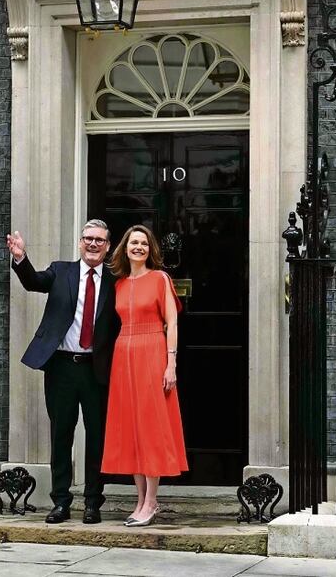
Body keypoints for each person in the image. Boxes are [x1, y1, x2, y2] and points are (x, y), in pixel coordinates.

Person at [6, 219, 120, 525]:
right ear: (80, 243)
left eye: (99, 240)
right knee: (61, 434)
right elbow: (33, 281)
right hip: (61, 367)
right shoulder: (61, 271)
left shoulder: (115, 280)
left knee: (97, 437)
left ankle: (93, 502)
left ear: (108, 246)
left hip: (96, 369)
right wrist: (20, 258)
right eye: (87, 238)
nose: (93, 244)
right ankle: (61, 501)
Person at [102, 224, 188, 527]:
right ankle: (139, 500)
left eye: (144, 243)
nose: (138, 247)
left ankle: (151, 500)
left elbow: (172, 324)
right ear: (125, 248)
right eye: (133, 243)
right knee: (131, 429)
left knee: (151, 427)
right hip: (123, 356)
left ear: (150, 249)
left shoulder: (160, 279)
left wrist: (171, 364)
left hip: (153, 352)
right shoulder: (120, 284)